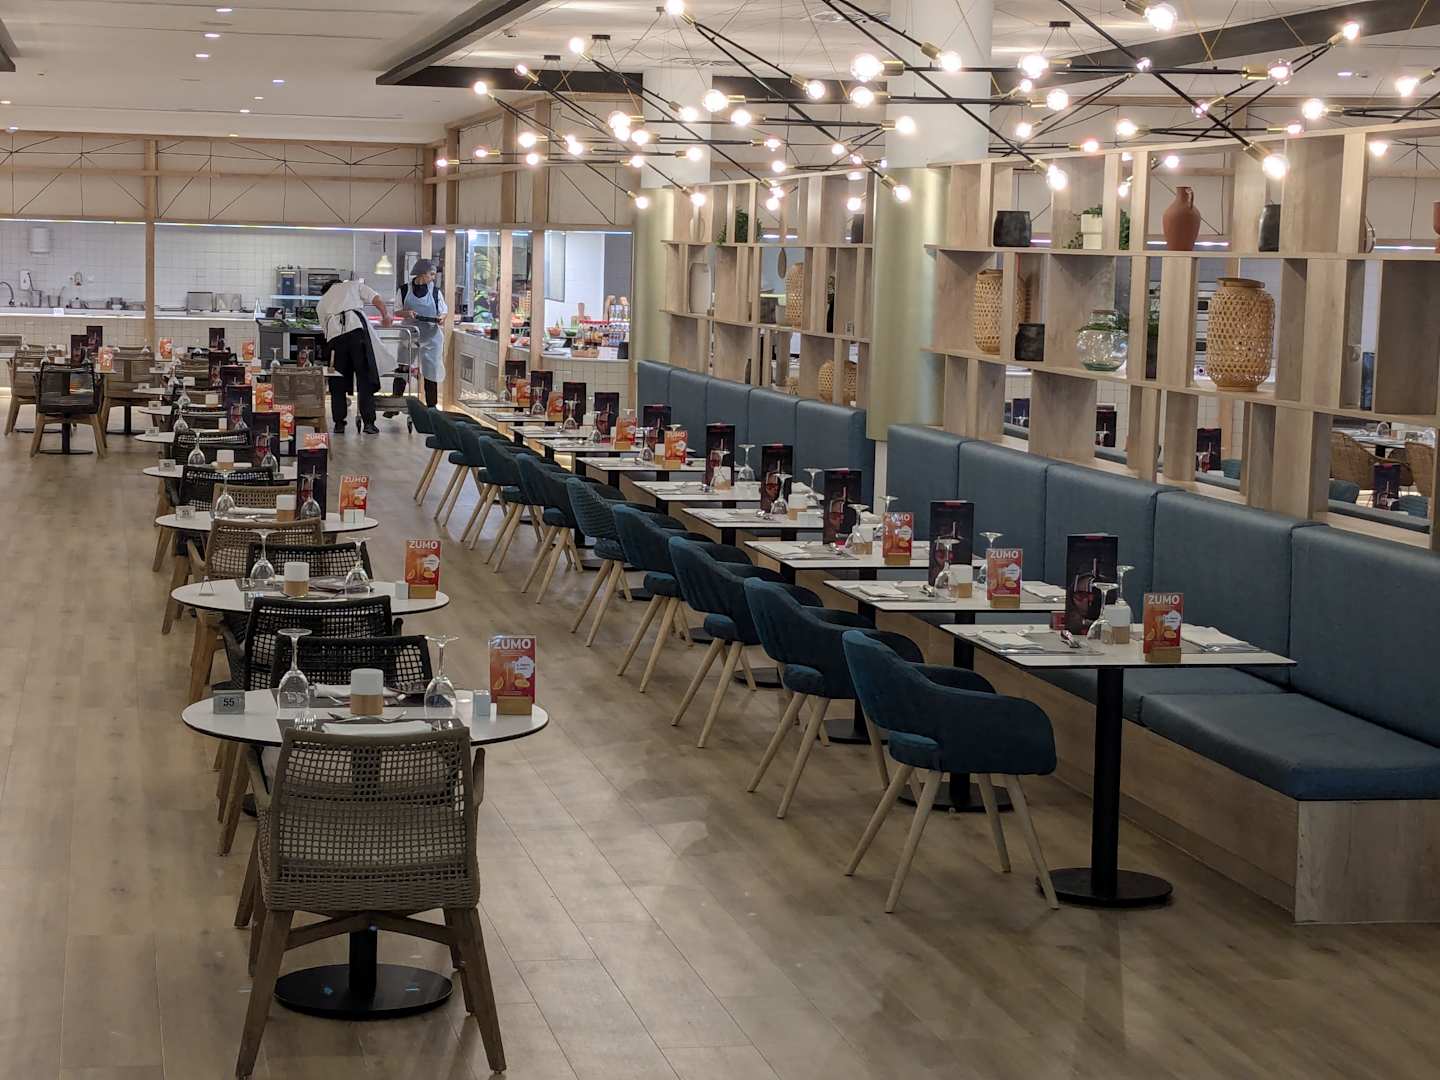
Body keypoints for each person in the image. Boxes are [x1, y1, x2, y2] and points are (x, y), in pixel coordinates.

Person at [317, 276, 394, 434]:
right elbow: (376, 299)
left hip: (335, 339)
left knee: (337, 381)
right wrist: (385, 315)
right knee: (364, 378)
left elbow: (324, 330)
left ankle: (339, 423)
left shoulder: (322, 302)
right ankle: (369, 423)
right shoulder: (353, 285)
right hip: (356, 333)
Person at [394, 259, 447, 408]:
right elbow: (397, 311)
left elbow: (443, 311)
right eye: (432, 274)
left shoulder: (436, 292)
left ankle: (431, 407)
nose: (434, 277)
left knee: (430, 371)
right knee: (403, 367)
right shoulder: (404, 290)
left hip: (431, 337)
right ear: (422, 274)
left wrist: (441, 319)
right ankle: (395, 404)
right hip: (409, 335)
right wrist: (407, 313)